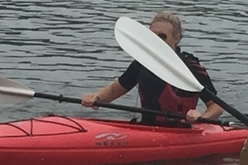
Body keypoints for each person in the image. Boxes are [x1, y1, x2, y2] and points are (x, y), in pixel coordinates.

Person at [82, 12, 223, 125]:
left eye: (162, 36)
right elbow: (114, 91)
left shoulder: (191, 67)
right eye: (152, 36)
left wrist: (201, 117)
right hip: (147, 128)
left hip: (182, 131)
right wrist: (96, 98)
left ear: (176, 38)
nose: (156, 41)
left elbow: (216, 106)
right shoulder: (141, 63)